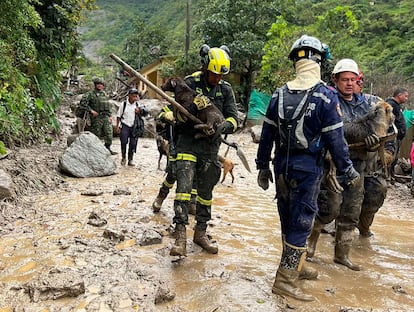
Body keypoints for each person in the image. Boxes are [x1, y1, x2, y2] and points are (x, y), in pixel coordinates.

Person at [256, 36, 359, 302]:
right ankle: (285, 280)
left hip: (281, 167)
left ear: (295, 61)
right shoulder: (325, 96)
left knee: (288, 219)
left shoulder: (279, 94)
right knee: (302, 222)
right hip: (307, 170)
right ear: (319, 61)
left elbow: (266, 135)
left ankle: (296, 265)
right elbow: (336, 142)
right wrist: (348, 171)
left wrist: (262, 167)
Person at [307, 58, 387, 271]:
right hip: (331, 167)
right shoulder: (328, 101)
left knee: (351, 211)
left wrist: (372, 145)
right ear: (335, 80)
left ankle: (342, 255)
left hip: (357, 166)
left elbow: (379, 133)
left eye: (353, 79)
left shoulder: (366, 104)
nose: (349, 84)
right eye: (345, 80)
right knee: (329, 208)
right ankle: (310, 244)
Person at [169, 45, 238, 257]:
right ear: (205, 68)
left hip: (210, 148)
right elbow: (175, 114)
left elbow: (234, 118)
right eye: (213, 74)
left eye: (220, 75)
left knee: (206, 194)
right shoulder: (189, 83)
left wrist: (224, 126)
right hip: (188, 144)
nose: (216, 78)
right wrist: (187, 114)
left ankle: (201, 233)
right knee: (183, 189)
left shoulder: (225, 90)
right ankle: (180, 236)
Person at [80, 77, 117, 155]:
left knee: (109, 134)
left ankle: (107, 148)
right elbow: (82, 104)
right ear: (95, 85)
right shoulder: (90, 94)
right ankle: (95, 150)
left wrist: (110, 116)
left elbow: (107, 105)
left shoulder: (104, 94)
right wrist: (91, 111)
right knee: (96, 135)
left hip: (106, 117)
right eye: (98, 84)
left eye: (101, 84)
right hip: (96, 118)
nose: (100, 86)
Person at [115, 88, 148, 166]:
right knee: (123, 142)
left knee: (133, 144)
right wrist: (117, 126)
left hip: (134, 127)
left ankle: (130, 159)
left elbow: (143, 115)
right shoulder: (124, 104)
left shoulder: (137, 105)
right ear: (129, 96)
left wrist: (139, 112)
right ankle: (123, 158)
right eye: (133, 96)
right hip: (125, 125)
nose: (135, 98)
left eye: (136, 96)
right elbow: (118, 116)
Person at [385, 87, 409, 177]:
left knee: (394, 158)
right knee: (390, 157)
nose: (406, 98)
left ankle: (391, 175)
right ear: (399, 95)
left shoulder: (397, 106)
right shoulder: (390, 105)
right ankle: (387, 176)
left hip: (397, 137)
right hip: (392, 137)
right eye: (405, 96)